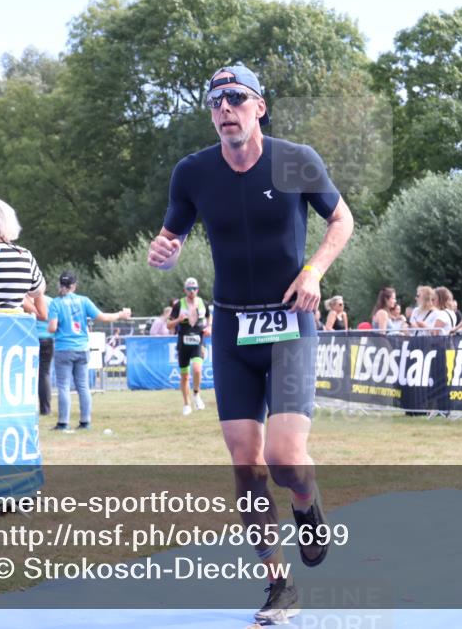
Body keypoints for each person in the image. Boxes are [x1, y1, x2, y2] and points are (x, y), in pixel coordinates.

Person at [147, 63, 353, 625]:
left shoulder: (294, 159)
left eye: (236, 97)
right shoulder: (192, 171)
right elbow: (174, 230)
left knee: (286, 459)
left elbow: (341, 219)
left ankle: (308, 507)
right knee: (246, 466)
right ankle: (278, 583)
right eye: (215, 101)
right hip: (233, 329)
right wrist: (163, 248)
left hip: (290, 321)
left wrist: (313, 272)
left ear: (259, 106)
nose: (224, 108)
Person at [48, 270, 132, 431]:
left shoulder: (56, 303)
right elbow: (104, 318)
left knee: (63, 387)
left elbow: (52, 327)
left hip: (63, 348)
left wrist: (56, 326)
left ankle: (63, 423)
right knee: (83, 386)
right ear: (74, 285)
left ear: (60, 285)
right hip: (82, 348)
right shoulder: (83, 301)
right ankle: (85, 421)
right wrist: (120, 314)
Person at [168, 277, 211, 416]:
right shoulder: (178, 305)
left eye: (194, 288)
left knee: (197, 369)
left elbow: (209, 317)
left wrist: (209, 327)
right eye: (189, 289)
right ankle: (187, 404)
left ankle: (196, 394)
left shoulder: (203, 303)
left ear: (197, 289)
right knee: (185, 375)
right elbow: (168, 325)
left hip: (198, 341)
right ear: (184, 290)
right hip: (183, 342)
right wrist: (178, 320)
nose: (191, 291)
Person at [23, 294, 54, 416]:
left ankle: (26, 407)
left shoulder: (24, 300)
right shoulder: (50, 301)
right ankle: (45, 409)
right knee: (44, 374)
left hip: (29, 338)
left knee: (25, 374)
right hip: (47, 339)